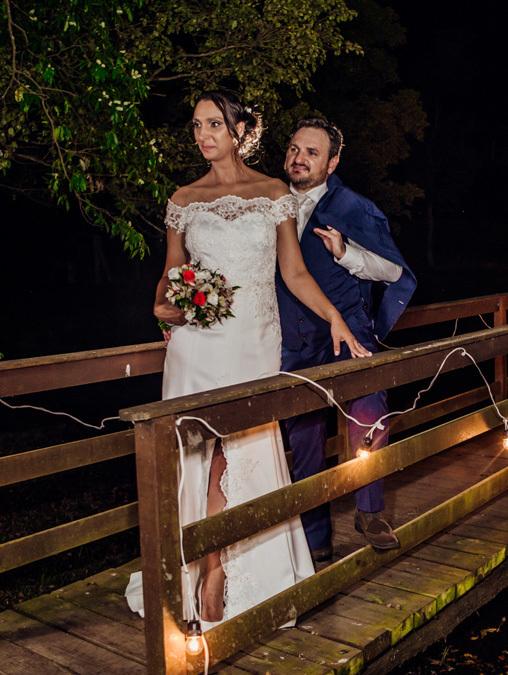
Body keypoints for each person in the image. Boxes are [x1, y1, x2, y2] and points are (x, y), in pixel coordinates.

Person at [124, 92, 370, 629]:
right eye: (195, 126)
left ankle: (229, 574)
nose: (203, 134)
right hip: (198, 345)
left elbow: (295, 274)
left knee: (239, 459)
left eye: (214, 123)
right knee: (199, 459)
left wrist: (336, 319)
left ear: (240, 130)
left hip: (255, 343)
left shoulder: (273, 193)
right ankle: (208, 574)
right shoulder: (183, 199)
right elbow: (168, 280)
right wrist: (171, 308)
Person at [277, 117, 416, 561]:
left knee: (369, 412)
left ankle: (370, 510)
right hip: (291, 341)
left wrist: (347, 253)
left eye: (312, 152)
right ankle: (315, 539)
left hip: (347, 335)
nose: (299, 158)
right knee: (304, 442)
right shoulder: (268, 204)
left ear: (332, 162)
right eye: (295, 149)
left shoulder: (354, 207)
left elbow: (395, 273)